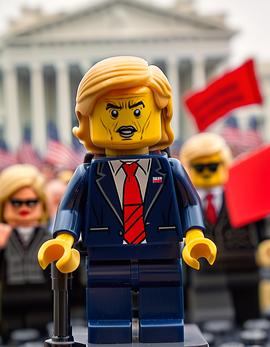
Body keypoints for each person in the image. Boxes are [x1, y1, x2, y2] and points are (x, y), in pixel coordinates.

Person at [38, 56, 216, 344]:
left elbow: (190, 204)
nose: (125, 123)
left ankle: (162, 327)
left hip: (161, 253)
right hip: (106, 254)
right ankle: (109, 329)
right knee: (108, 324)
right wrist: (63, 241)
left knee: (165, 322)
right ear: (87, 119)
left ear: (162, 115)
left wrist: (195, 237)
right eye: (111, 113)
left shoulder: (170, 169)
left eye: (137, 112)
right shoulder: (87, 172)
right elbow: (69, 208)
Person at [180, 132, 264, 325]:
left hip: (243, 265)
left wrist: (264, 243)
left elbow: (260, 223)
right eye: (199, 167)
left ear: (225, 163)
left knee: (248, 316)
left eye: (212, 166)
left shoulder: (243, 194)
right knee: (201, 318)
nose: (207, 172)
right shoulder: (185, 201)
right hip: (201, 272)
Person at [0, 164, 51, 343]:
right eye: (16, 202)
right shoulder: (2, 237)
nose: (24, 208)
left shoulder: (50, 238)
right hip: (8, 315)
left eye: (31, 202)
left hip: (44, 313)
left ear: (42, 203)